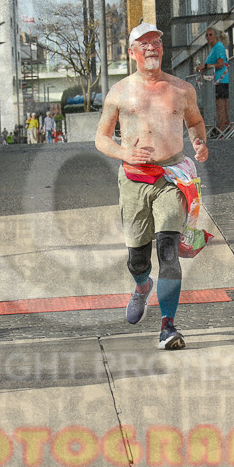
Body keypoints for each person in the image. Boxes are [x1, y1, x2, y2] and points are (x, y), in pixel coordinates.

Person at [95, 23, 209, 351]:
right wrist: (124, 152)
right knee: (137, 258)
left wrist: (199, 142)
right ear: (132, 52)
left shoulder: (182, 89)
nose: (151, 49)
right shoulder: (119, 92)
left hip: (171, 178)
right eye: (143, 44)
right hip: (133, 181)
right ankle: (143, 286)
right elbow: (101, 138)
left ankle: (168, 326)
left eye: (156, 43)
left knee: (168, 250)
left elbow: (195, 122)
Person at [196, 26, 230, 130]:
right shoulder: (215, 47)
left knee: (221, 106)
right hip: (219, 80)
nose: (208, 37)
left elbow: (220, 64)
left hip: (221, 80)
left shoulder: (218, 47)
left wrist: (205, 66)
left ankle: (222, 129)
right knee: (223, 105)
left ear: (216, 35)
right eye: (206, 35)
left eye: (210, 34)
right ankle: (224, 128)